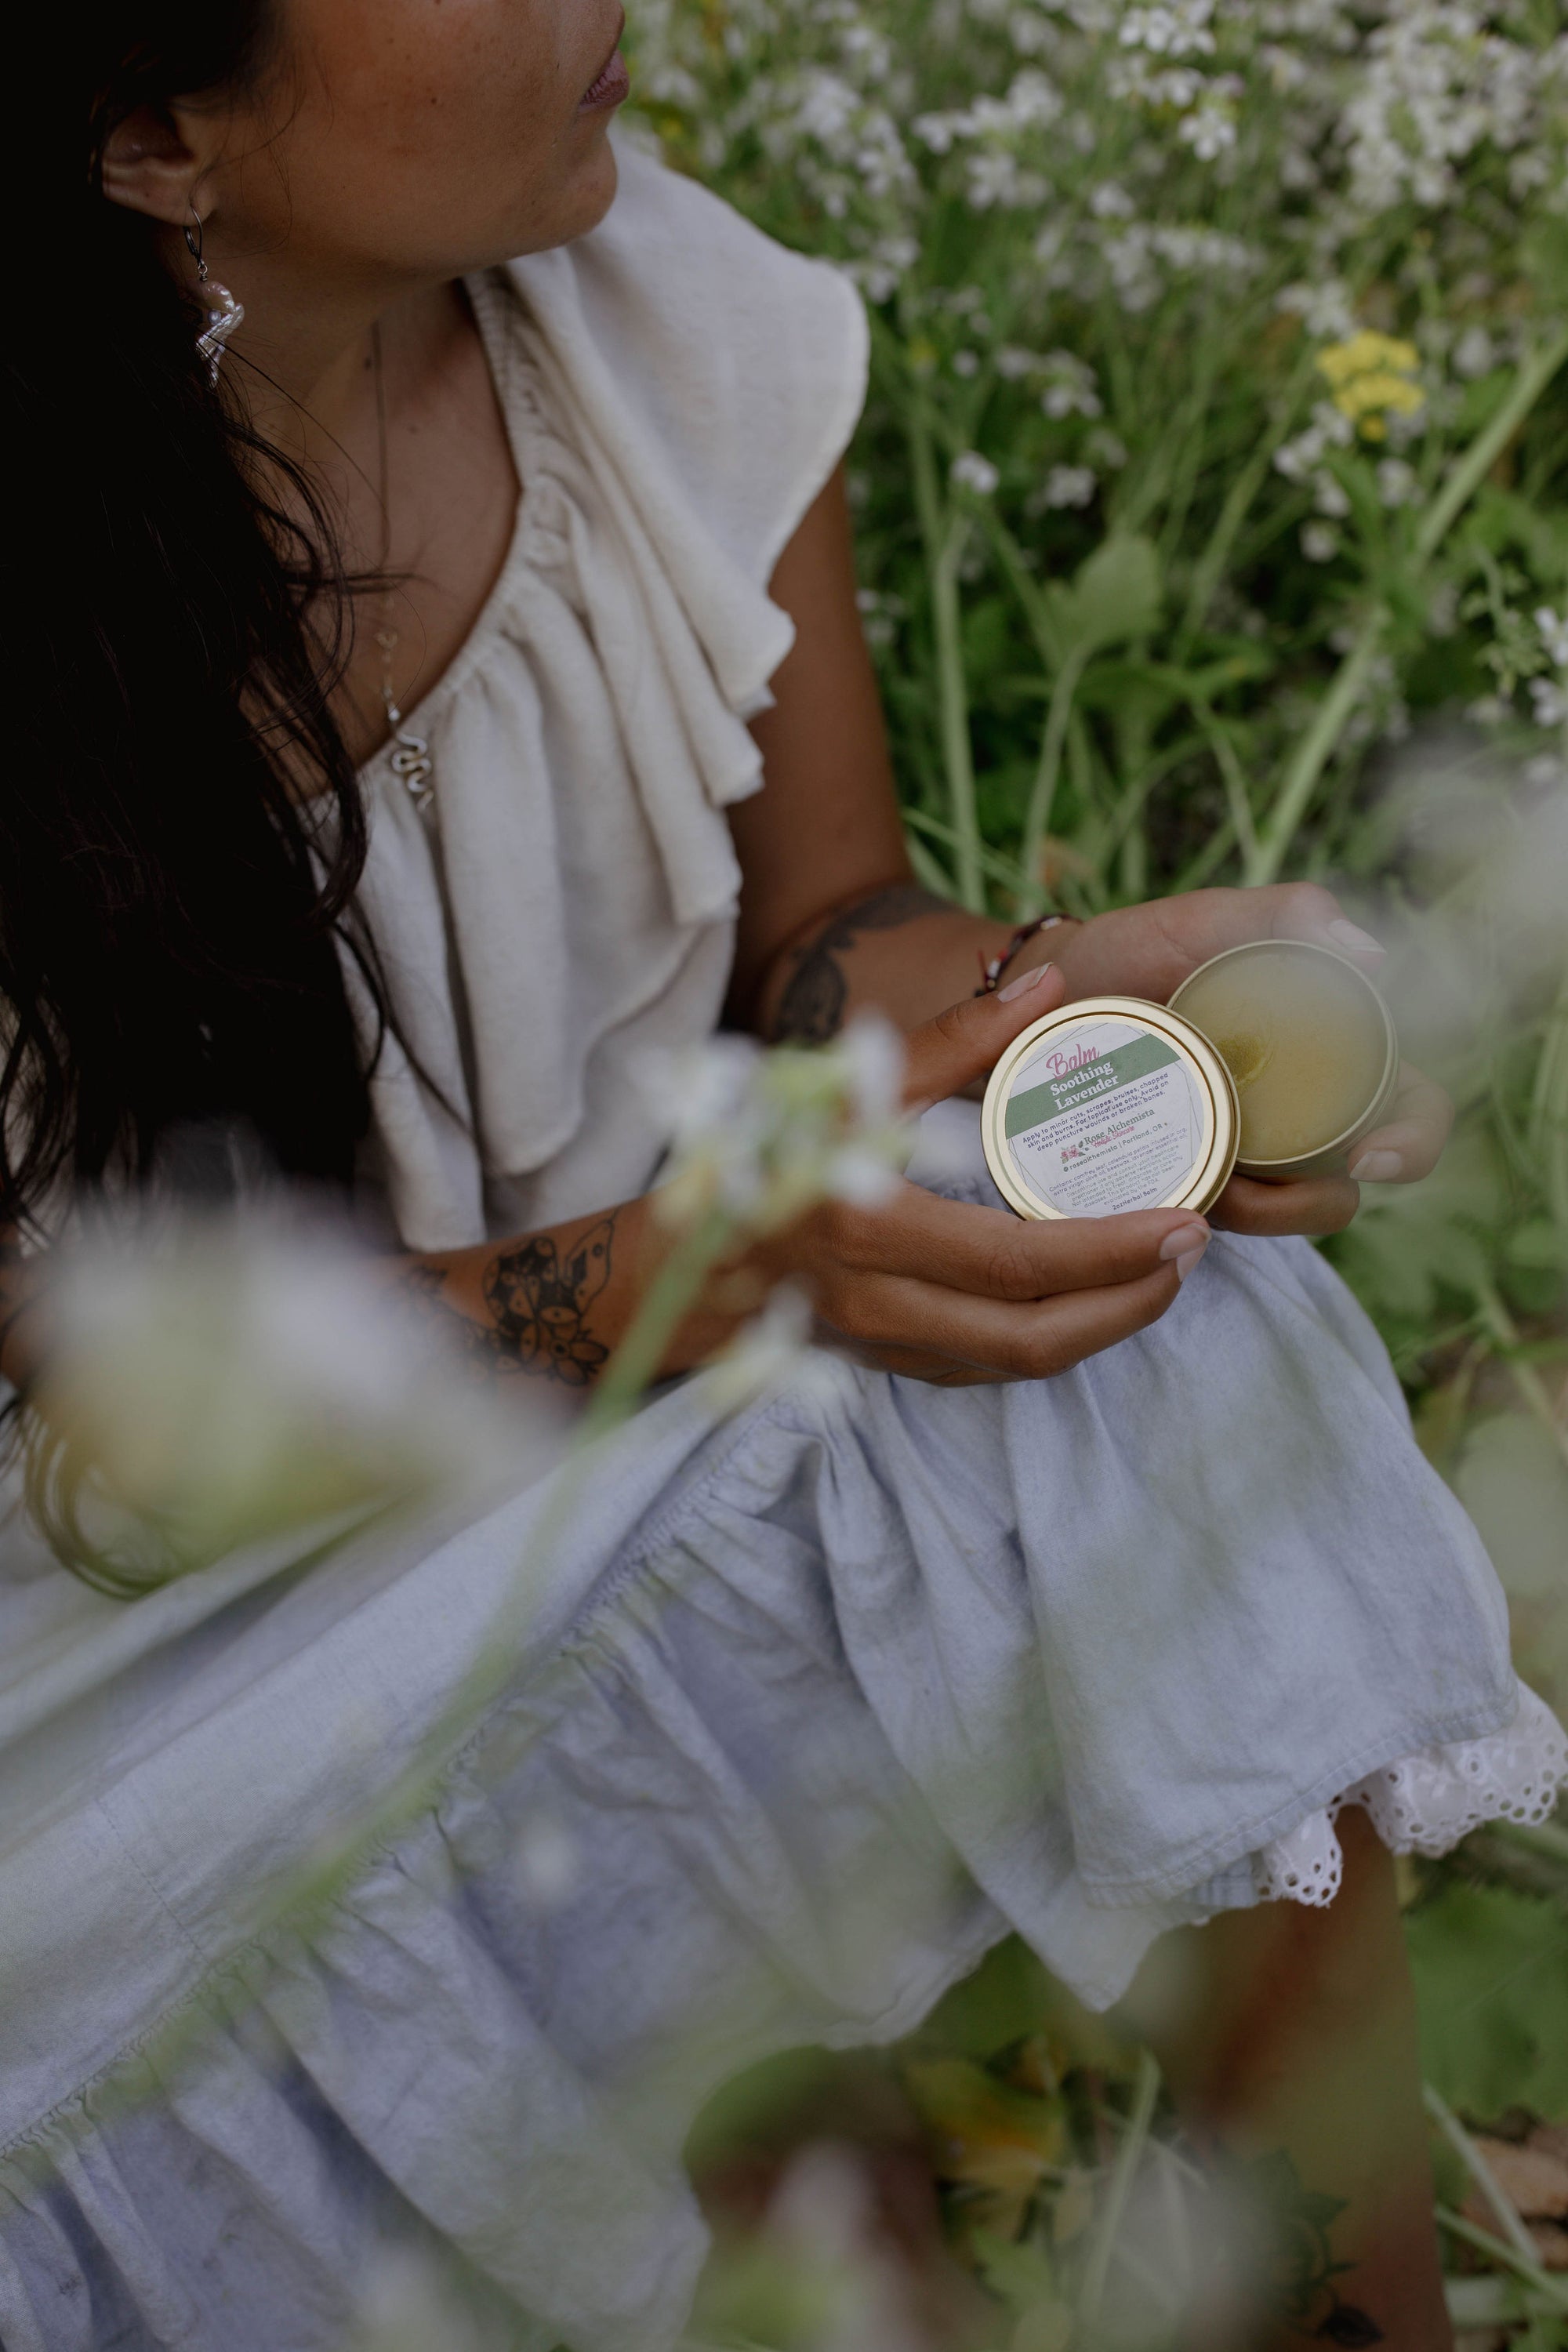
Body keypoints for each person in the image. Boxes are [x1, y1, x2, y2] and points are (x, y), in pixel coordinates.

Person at [2, 3, 1562, 2345]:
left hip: (613, 1433)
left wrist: (1050, 998)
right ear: (142, 138)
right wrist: (686, 1278)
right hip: (129, 1669)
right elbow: (106, 1451)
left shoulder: (654, 323)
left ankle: (1325, 2289)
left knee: (1125, 1291)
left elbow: (829, 936)